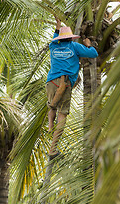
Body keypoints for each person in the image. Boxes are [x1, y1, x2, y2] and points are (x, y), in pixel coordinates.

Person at [46, 17, 98, 160]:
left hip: (50, 82)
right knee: (62, 116)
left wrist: (57, 24)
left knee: (52, 106)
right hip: (64, 84)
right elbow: (94, 54)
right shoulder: (74, 47)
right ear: (70, 38)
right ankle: (53, 150)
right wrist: (88, 45)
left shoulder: (53, 46)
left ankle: (50, 125)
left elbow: (55, 35)